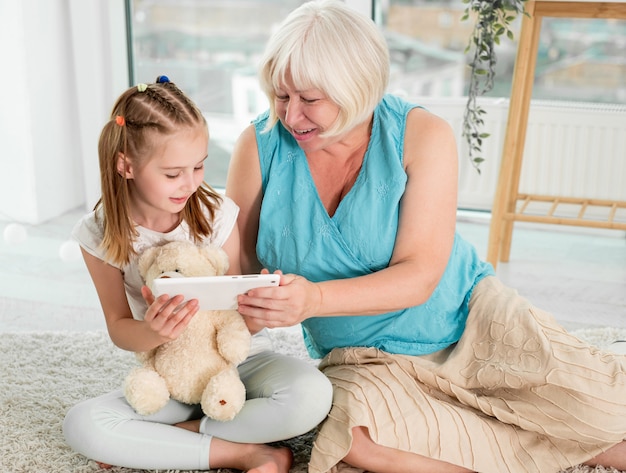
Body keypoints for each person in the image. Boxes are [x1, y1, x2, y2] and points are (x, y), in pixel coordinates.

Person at [225, 2, 626, 472]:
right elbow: (236, 270)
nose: (292, 116)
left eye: (310, 99)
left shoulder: (421, 134)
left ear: (357, 88)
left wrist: (312, 298)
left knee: (606, 406)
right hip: (362, 359)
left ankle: (568, 438)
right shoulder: (259, 145)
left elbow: (419, 277)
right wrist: (237, 308)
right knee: (353, 439)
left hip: (466, 323)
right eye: (281, 95)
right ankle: (563, 448)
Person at [62, 75, 333, 473]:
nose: (189, 183)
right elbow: (119, 327)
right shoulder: (100, 234)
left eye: (199, 166)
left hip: (235, 364)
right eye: (173, 173)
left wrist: (256, 314)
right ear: (126, 165)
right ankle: (244, 452)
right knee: (82, 424)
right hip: (166, 372)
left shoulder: (214, 215)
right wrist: (155, 332)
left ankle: (179, 437)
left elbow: (238, 316)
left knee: (313, 395)